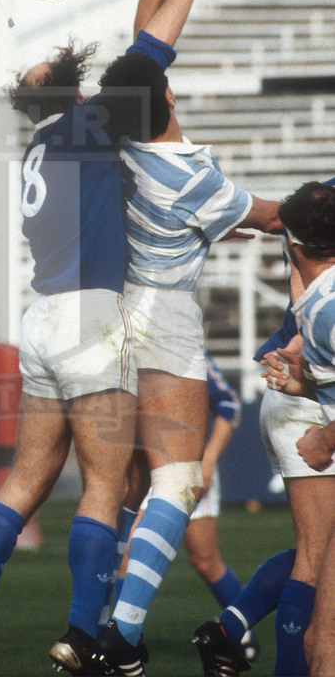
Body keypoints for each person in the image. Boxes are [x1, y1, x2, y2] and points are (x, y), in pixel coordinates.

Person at [0, 0, 209, 677]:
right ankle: (84, 634)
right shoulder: (92, 127)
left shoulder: (44, 144)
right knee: (100, 486)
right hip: (93, 318)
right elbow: (147, 55)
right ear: (73, 92)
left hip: (43, 321)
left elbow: (134, 48)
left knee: (26, 477)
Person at [90, 0, 284, 677]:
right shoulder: (196, 179)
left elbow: (146, 41)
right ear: (165, 93)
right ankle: (121, 634)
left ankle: (97, 625)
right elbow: (282, 219)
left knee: (128, 484)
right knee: (176, 478)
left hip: (108, 317)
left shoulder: (121, 133)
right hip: (163, 318)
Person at [192, 179, 335, 677]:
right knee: (317, 559)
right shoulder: (321, 214)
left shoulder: (315, 204)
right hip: (310, 389)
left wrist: (209, 225)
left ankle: (230, 625)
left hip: (304, 385)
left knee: (316, 554)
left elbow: (269, 220)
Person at [110, 354, 260, 663]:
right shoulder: (122, 350)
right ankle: (121, 641)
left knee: (205, 561)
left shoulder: (185, 349)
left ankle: (241, 631)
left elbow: (229, 405)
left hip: (187, 466)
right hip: (145, 467)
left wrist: (206, 462)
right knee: (126, 560)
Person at [262, 182, 335, 677]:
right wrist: (304, 388)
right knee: (321, 639)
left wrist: (324, 439)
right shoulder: (316, 306)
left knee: (325, 643)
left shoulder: (326, 312)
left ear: (291, 245)